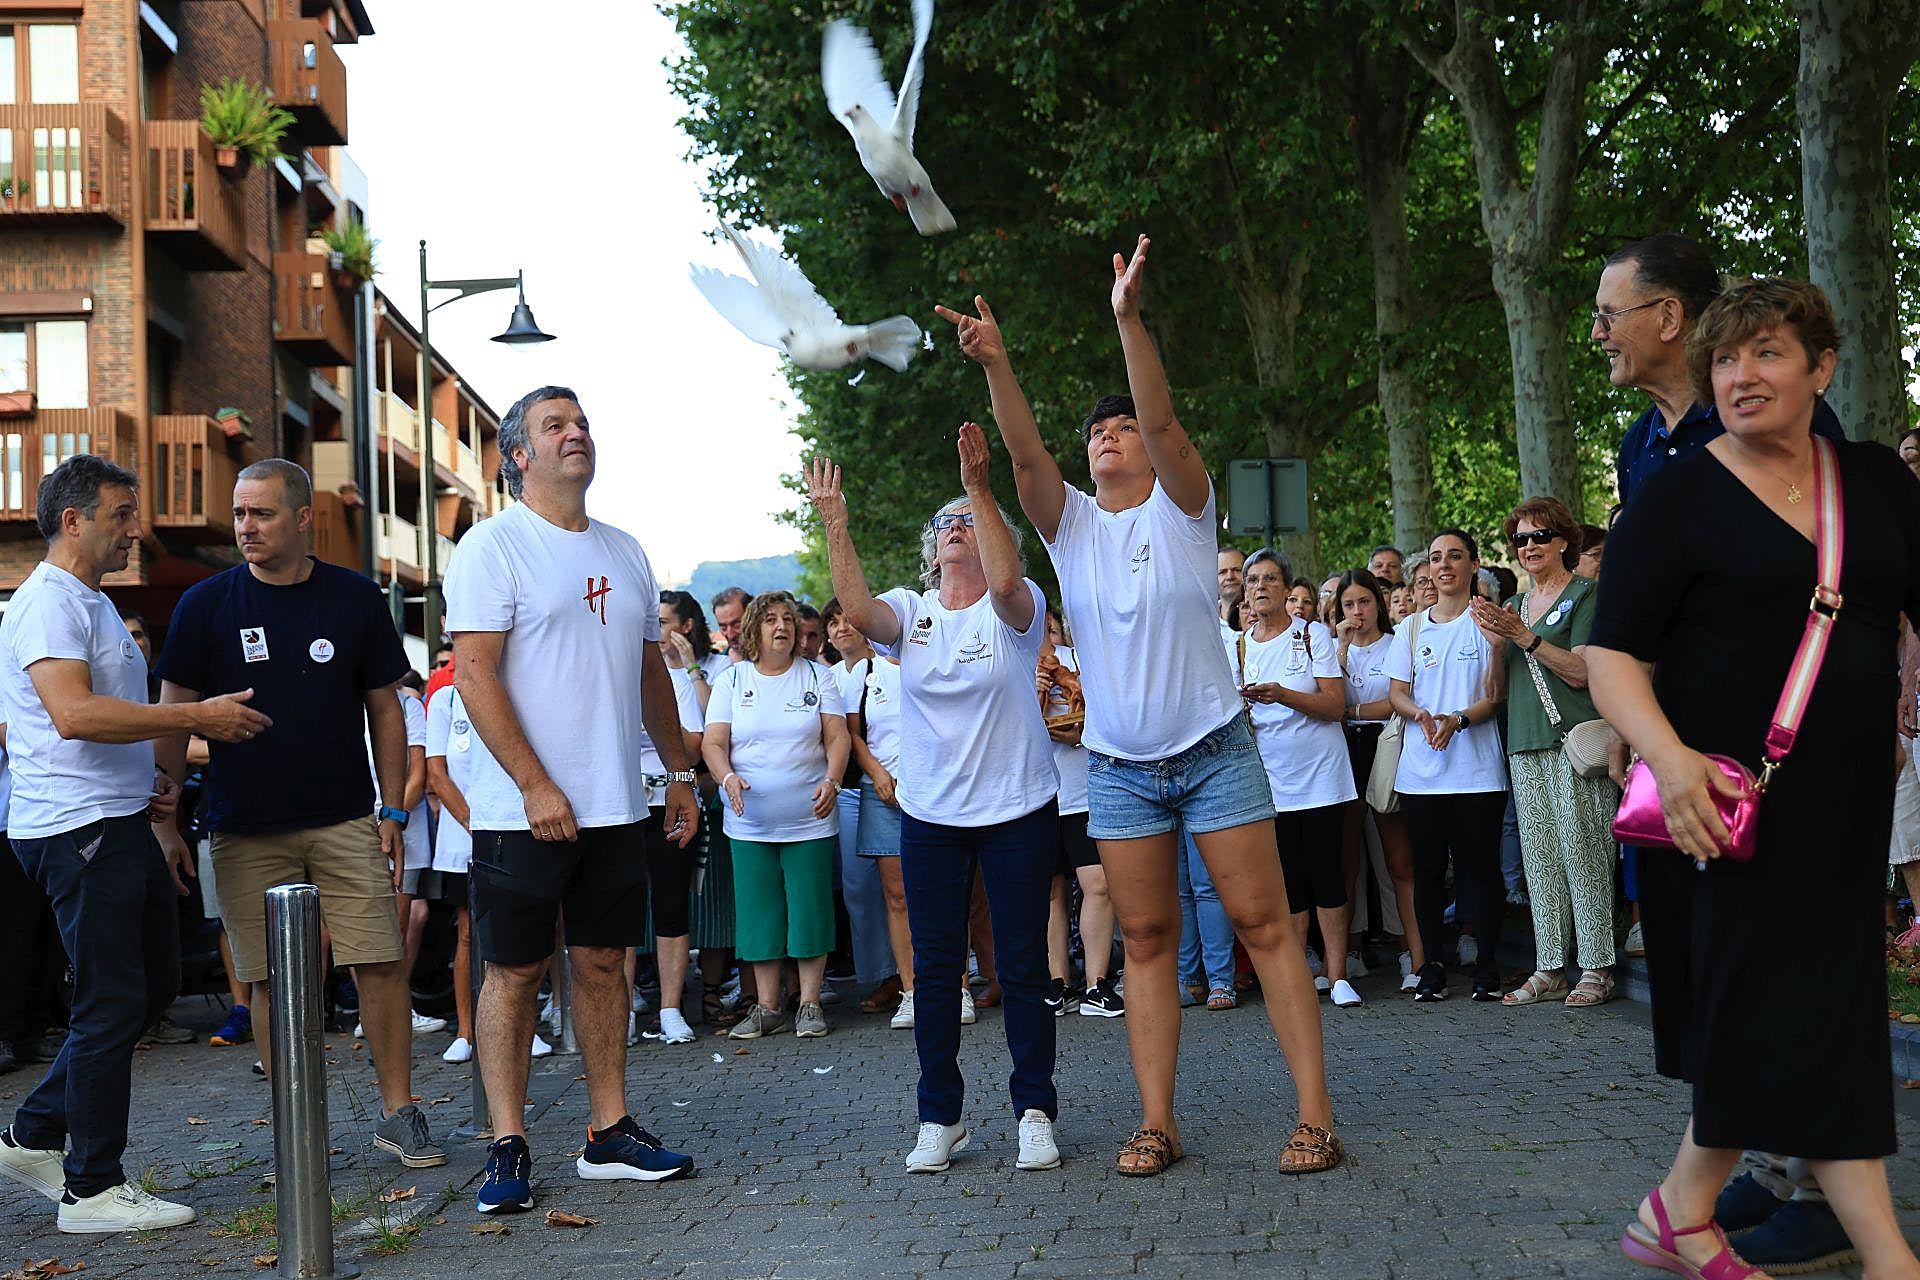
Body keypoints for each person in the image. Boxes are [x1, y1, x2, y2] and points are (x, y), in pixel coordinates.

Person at [937, 236, 1340, 1178]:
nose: (1109, 436)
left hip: (1214, 750)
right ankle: (1156, 1122)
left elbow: (1161, 422)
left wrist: (1128, 321)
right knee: (1147, 939)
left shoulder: (1185, 510)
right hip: (1119, 768)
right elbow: (1027, 455)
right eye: (1097, 433)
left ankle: (1315, 1117)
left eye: (1120, 430)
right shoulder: (1070, 527)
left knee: (1264, 927)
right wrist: (997, 365)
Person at [1588, 278, 1920, 1280]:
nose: (1741, 375)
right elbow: (1614, 658)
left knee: (1823, 1008)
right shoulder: (1678, 495)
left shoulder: (1872, 479)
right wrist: (1671, 757)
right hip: (1728, 801)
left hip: (1851, 798)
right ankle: (1882, 1254)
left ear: (1821, 368)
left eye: (1768, 354)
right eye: (1726, 360)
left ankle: (1683, 1209)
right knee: (1784, 1007)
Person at [445, 386, 700, 1214]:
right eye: (555, 425)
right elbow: (475, 674)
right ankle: (507, 1145)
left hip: (615, 802)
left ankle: (608, 1132)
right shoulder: (493, 546)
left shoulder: (626, 551)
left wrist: (679, 771)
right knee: (514, 972)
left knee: (601, 963)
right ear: (518, 454)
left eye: (582, 421)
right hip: (523, 810)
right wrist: (532, 782)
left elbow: (648, 668)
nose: (576, 434)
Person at [152, 459, 444, 1168]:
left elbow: (386, 708)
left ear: (304, 517)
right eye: (240, 514)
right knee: (272, 979)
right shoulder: (205, 604)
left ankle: (398, 1112)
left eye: (262, 514)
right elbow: (170, 712)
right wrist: (161, 815)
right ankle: (297, 1123)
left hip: (345, 817)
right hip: (244, 824)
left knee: (378, 960)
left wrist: (393, 811)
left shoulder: (352, 597)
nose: (246, 527)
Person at [0, 455, 266, 1233]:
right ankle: (91, 1188)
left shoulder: (91, 601)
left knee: (147, 989)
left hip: (115, 818)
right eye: (120, 513)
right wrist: (194, 719)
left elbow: (100, 720)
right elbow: (74, 715)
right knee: (112, 998)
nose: (134, 529)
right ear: (73, 519)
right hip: (77, 826)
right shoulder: (50, 602)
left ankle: (34, 1133)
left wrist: (159, 795)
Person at [807, 425, 1064, 1175]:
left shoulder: (1016, 610)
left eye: (968, 522)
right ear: (931, 552)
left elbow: (1010, 583)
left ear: (987, 537)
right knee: (936, 971)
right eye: (945, 523)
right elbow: (857, 611)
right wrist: (836, 522)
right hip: (931, 819)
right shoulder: (912, 614)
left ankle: (1034, 1111)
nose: (955, 529)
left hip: (1017, 810)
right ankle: (939, 1117)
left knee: (1019, 967)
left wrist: (982, 487)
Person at [1470, 499, 1619, 1009]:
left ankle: (1598, 967)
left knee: (1585, 856)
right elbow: (1496, 692)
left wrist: (1524, 637)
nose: (1528, 547)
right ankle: (1550, 966)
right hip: (1525, 743)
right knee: (1540, 860)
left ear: (1563, 542)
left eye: (1539, 537)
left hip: (1574, 741)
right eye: (1520, 539)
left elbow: (1583, 673)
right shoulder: (1512, 609)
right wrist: (1496, 645)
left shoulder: (1586, 595)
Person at [1600, 233, 1846, 508]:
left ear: (1669, 318)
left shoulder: (1780, 413)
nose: (1597, 333)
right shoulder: (1635, 447)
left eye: (1608, 317)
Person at [702, 590, 848, 1041]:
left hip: (810, 817)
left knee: (809, 908)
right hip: (749, 823)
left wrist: (833, 780)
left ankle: (808, 1004)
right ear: (754, 629)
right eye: (770, 620)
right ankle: (767, 1008)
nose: (781, 626)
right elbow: (712, 743)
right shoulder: (732, 679)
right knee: (758, 912)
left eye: (787, 618)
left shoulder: (817, 677)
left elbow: (838, 737)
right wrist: (726, 778)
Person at [1386, 530, 1510, 1002]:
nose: (1444, 565)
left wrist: (1458, 718)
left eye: (1455, 556)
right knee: (1429, 871)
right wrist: (1416, 712)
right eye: (1436, 558)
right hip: (1422, 774)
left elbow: (1495, 697)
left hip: (1478, 772)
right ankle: (1432, 966)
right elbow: (1397, 691)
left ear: (1473, 565)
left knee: (1481, 869)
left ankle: (1487, 967)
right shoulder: (1411, 628)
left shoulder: (1487, 622)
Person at [1236, 551, 1360, 1006]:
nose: (1261, 586)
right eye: (1253, 580)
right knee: (1288, 878)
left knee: (1325, 871)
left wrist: (1282, 695)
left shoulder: (1313, 636)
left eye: (1270, 578)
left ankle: (1339, 973)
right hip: (1270, 779)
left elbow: (1334, 706)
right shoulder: (1239, 645)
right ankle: (1296, 976)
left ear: (1289, 589)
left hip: (1321, 774)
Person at [1333, 568, 1423, 992]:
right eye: (1348, 604)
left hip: (1388, 747)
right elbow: (1325, 692)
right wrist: (1341, 648)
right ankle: (1348, 952)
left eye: (1364, 602)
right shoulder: (1335, 650)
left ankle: (1411, 950)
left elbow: (1396, 700)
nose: (1357, 612)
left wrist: (1349, 712)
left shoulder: (1396, 643)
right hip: (1343, 755)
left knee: (1397, 859)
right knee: (1348, 861)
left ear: (1379, 603)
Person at [824, 598, 908, 1019]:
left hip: (896, 785)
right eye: (832, 622)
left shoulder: (893, 664)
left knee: (909, 888)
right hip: (853, 790)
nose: (842, 628)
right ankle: (882, 975)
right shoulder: (829, 677)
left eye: (848, 619)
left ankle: (929, 977)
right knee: (860, 889)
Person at [1037, 608, 1115, 1018]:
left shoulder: (1082, 663)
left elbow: (1106, 709)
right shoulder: (1012, 669)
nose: (1046, 638)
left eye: (1049, 628)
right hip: (1038, 795)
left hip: (1085, 792)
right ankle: (1058, 982)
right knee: (1051, 890)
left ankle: (1097, 983)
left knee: (1097, 883)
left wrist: (1080, 725)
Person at [712, 586, 750, 663]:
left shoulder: (776, 658)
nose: (730, 635)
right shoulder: (718, 665)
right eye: (723, 628)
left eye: (737, 625)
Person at [1216, 547, 1245, 631]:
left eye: (1237, 570)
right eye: (1222, 572)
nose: (1230, 577)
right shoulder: (1204, 620)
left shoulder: (1262, 617)